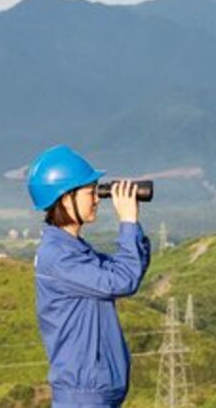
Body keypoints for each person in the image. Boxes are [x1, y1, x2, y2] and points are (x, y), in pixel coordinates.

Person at [27, 144, 150, 408]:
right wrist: (128, 222)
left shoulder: (74, 251)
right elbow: (122, 281)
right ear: (65, 197)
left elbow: (126, 270)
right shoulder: (59, 257)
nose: (97, 199)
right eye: (91, 191)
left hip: (95, 395)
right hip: (84, 397)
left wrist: (134, 228)